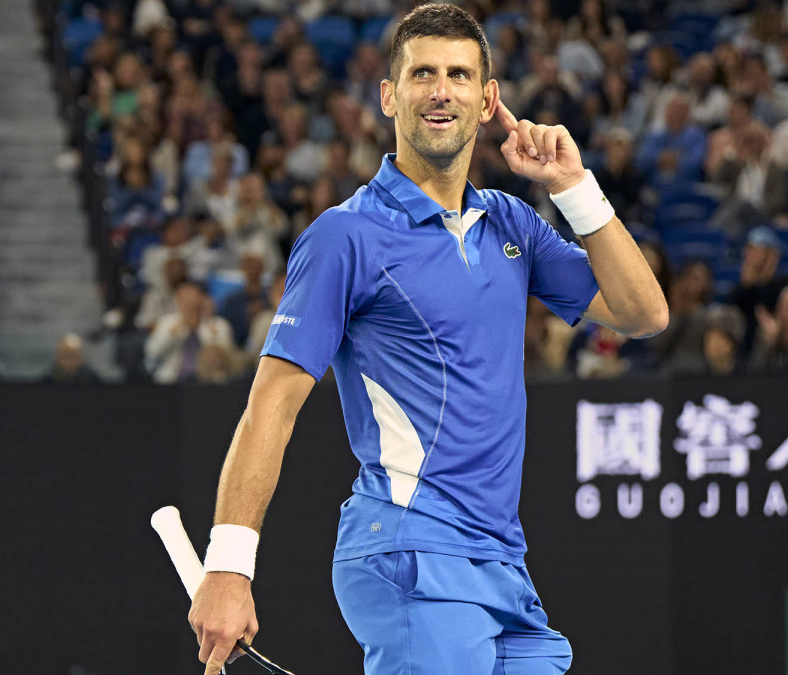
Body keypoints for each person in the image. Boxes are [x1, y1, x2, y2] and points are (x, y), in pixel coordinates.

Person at [187, 5, 668, 674]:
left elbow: (643, 313)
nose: (442, 90)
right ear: (390, 95)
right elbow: (271, 402)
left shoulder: (512, 222)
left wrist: (573, 186)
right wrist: (230, 567)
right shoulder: (344, 237)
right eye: (422, 74)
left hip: (502, 566)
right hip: (410, 551)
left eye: (460, 75)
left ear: (487, 99)